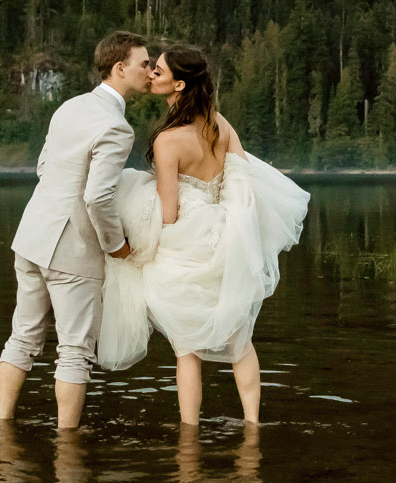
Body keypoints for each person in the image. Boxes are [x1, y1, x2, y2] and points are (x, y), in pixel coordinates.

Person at [99, 44, 310, 424]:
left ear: (179, 84)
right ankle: (252, 424)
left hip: (186, 242)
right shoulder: (220, 124)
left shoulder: (168, 141)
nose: (150, 75)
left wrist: (143, 235)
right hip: (226, 234)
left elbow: (169, 209)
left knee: (186, 348)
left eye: (158, 72)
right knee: (239, 339)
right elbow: (243, 178)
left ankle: (190, 435)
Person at [0, 30, 155, 428]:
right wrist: (118, 247)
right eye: (144, 63)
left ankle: (2, 427)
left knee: (22, 337)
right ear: (120, 68)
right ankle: (67, 451)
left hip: (32, 235)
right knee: (74, 351)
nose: (150, 70)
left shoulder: (68, 107)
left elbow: (44, 167)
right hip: (72, 249)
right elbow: (97, 198)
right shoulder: (117, 128)